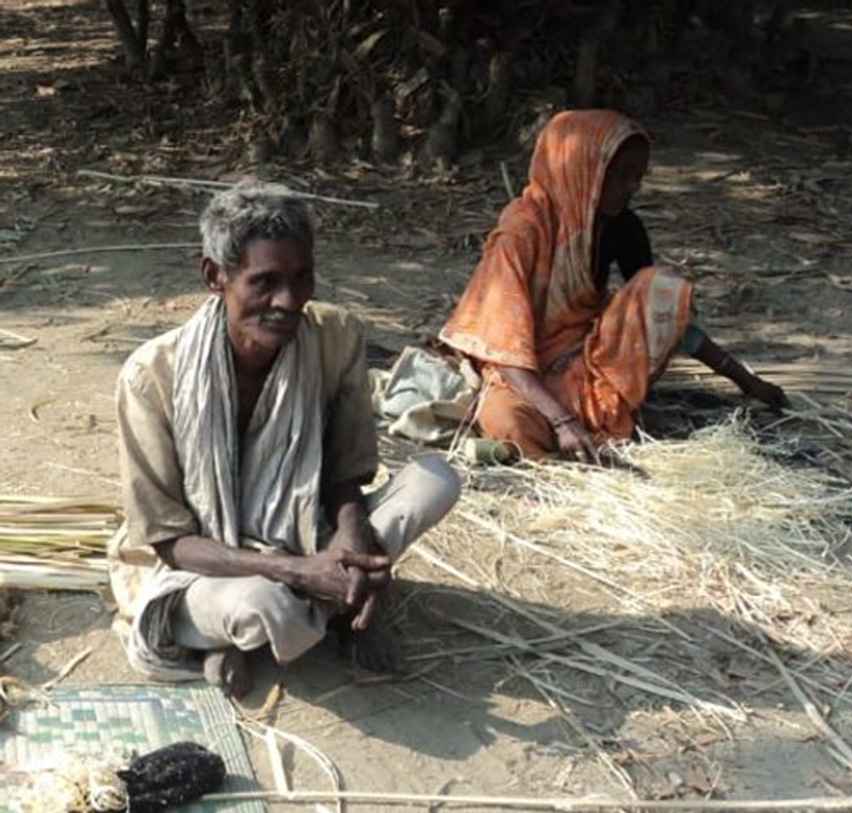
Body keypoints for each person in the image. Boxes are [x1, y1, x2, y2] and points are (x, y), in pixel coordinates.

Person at [107, 181, 460, 697]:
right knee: (260, 605)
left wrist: (351, 541)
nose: (288, 301)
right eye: (265, 282)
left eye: (302, 278)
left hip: (305, 529)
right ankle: (334, 611)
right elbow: (169, 540)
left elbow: (345, 473)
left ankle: (328, 602)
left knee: (437, 479)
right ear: (215, 277)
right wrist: (296, 571)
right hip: (212, 564)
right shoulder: (151, 376)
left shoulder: (335, 336)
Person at [440, 109, 788, 461]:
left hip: (586, 362)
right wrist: (560, 420)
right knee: (511, 423)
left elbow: (661, 316)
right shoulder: (522, 234)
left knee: (662, 288)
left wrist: (744, 380)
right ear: (583, 170)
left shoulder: (622, 227)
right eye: (622, 175)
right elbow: (501, 349)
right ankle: (567, 439)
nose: (633, 186)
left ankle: (588, 427)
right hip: (524, 378)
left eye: (639, 176)